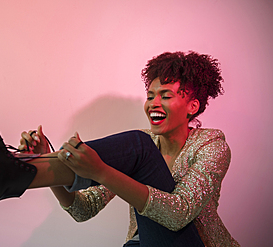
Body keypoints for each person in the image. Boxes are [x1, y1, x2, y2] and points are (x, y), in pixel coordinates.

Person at [19, 51, 240, 246]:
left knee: (139, 145)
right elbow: (83, 209)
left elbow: (177, 214)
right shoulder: (140, 149)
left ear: (193, 106)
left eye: (165, 96)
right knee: (140, 144)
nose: (153, 103)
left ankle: (15, 173)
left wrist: (101, 172)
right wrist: (45, 156)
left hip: (191, 243)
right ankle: (18, 172)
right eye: (150, 96)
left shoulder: (211, 146)